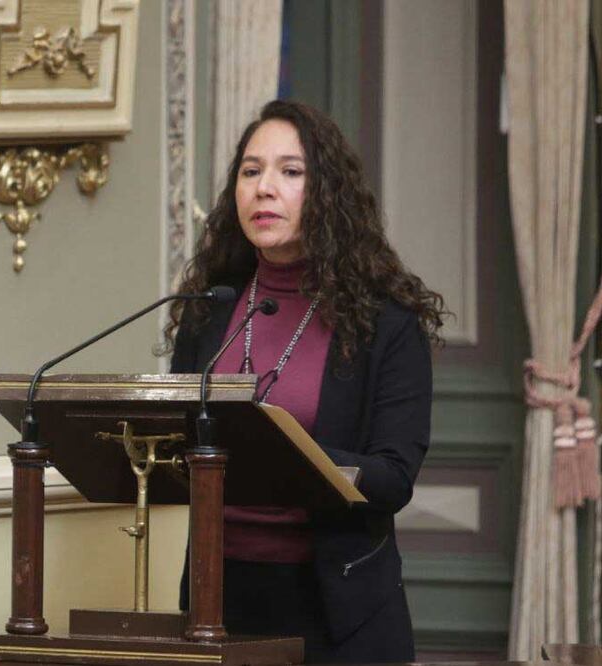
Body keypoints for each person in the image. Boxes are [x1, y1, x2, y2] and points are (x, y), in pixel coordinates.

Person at [166, 99, 445, 664]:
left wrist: (284, 454)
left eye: (290, 172)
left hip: (338, 610)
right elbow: (175, 440)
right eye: (251, 171)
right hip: (217, 601)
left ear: (329, 195)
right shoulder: (210, 309)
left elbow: (393, 476)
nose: (264, 188)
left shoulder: (384, 322)